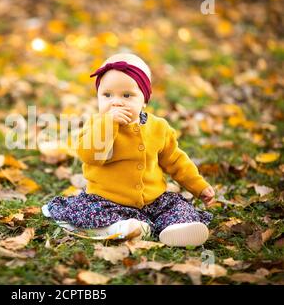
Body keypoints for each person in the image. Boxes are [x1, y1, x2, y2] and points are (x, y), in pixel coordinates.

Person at [42, 53, 216, 247]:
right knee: (91, 212)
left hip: (153, 200)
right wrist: (108, 124)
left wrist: (198, 186)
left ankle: (176, 229)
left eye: (127, 95)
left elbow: (175, 161)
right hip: (108, 200)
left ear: (144, 100)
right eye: (107, 95)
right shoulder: (97, 124)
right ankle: (119, 229)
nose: (116, 102)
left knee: (177, 207)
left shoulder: (159, 127)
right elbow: (89, 155)